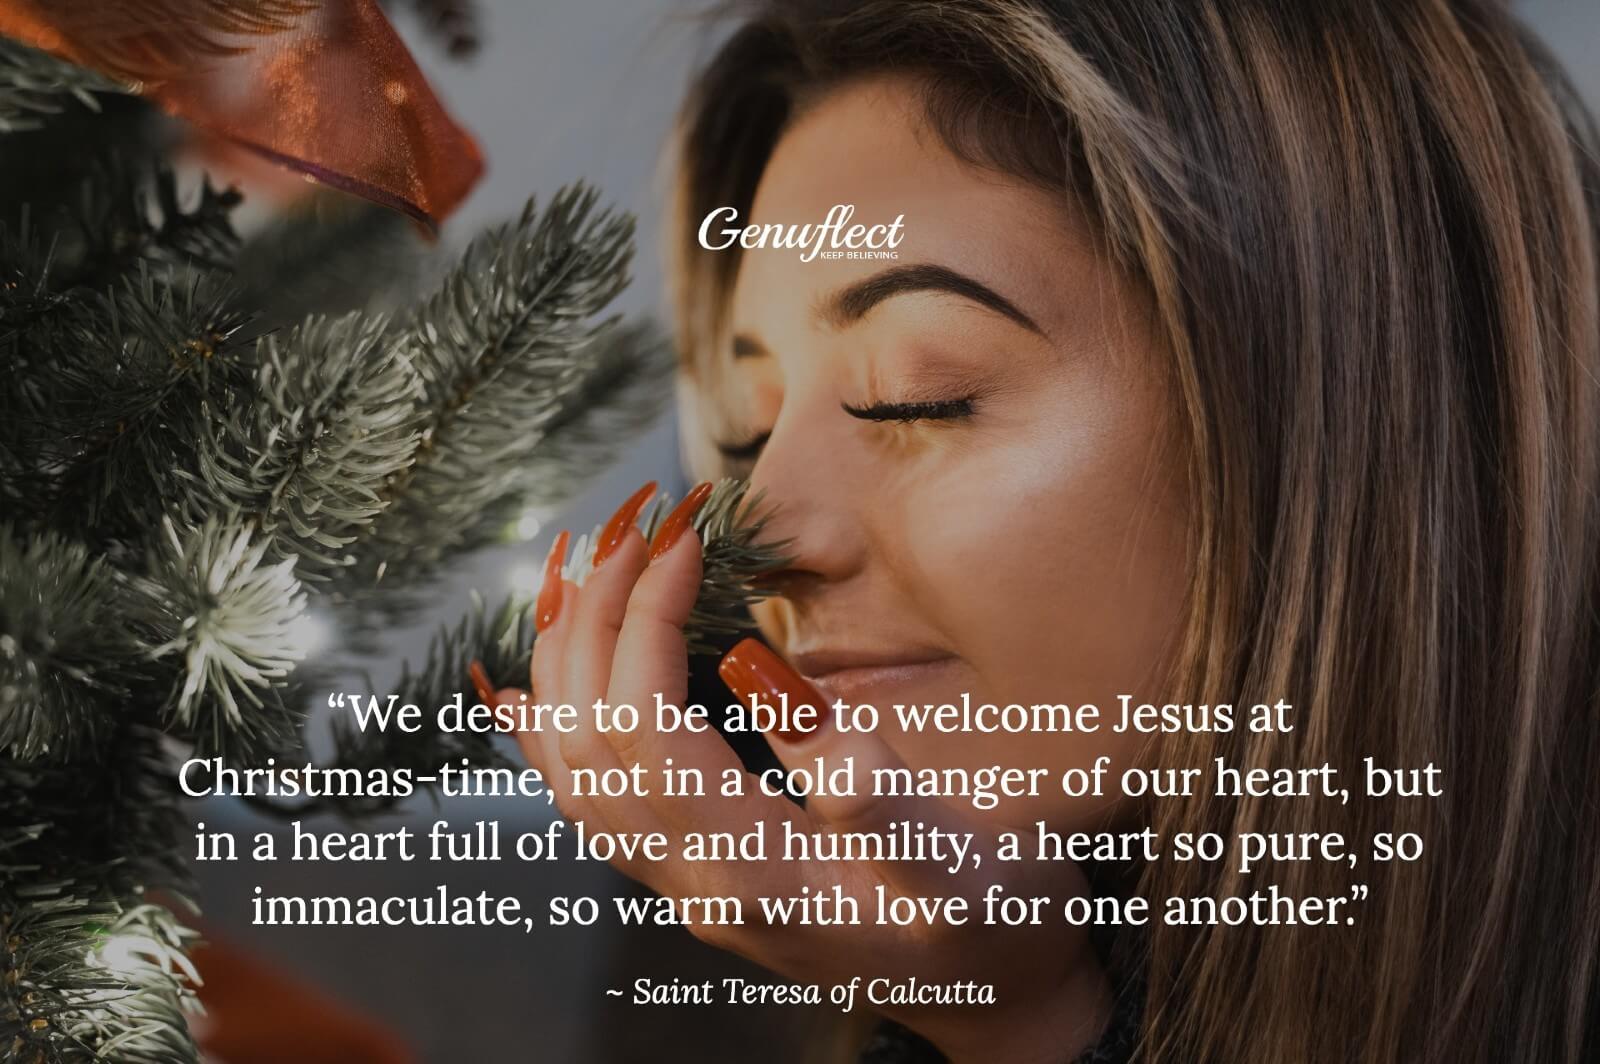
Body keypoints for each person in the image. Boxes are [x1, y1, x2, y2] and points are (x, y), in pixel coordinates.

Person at [487, 2, 1600, 1060]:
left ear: (1360, 421)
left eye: (918, 398)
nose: (759, 533)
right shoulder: (746, 908)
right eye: (745, 436)